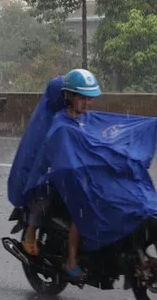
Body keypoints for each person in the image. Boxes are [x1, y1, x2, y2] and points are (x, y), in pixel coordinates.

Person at [21, 68, 102, 281]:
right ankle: (70, 260)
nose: (87, 103)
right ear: (69, 96)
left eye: (89, 98)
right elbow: (57, 152)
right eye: (82, 98)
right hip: (62, 175)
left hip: (85, 174)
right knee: (80, 210)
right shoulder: (60, 123)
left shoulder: (89, 119)